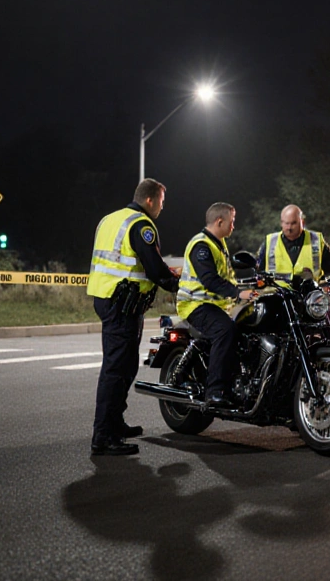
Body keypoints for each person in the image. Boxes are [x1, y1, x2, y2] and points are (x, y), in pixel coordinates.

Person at [87, 179, 181, 456]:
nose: (163, 207)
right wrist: (178, 284)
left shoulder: (109, 219)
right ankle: (103, 436)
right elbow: (154, 268)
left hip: (107, 299)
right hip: (122, 306)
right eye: (162, 201)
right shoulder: (140, 224)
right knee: (116, 370)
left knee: (125, 367)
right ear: (150, 200)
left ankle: (115, 423)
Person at [177, 202, 256, 407]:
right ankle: (215, 391)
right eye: (232, 221)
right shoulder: (201, 245)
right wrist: (239, 293)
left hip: (215, 306)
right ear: (220, 221)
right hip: (195, 305)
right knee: (225, 330)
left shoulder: (219, 244)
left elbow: (225, 278)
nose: (233, 226)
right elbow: (210, 280)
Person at [256, 204, 330, 279]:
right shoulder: (270, 242)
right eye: (286, 223)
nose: (289, 227)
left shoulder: (316, 241)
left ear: (302, 222)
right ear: (281, 223)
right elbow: (257, 270)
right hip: (278, 293)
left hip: (310, 293)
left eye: (293, 223)